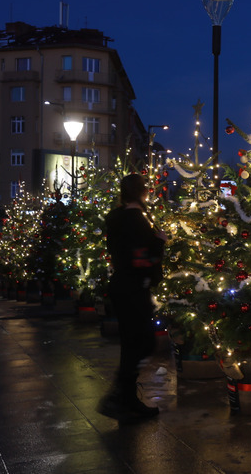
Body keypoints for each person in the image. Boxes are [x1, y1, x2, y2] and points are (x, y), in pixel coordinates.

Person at [97, 173, 167, 421]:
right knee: (143, 342)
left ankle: (125, 399)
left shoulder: (116, 219)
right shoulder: (137, 221)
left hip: (121, 285)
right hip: (134, 287)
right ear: (142, 193)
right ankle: (119, 397)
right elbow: (143, 258)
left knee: (130, 344)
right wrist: (159, 243)